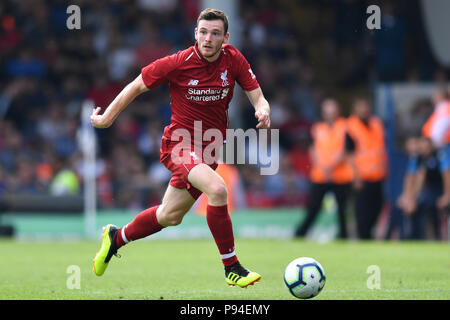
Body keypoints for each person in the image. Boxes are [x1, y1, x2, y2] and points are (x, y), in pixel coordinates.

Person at [91, 8, 271, 288]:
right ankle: (232, 267)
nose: (208, 38)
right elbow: (136, 85)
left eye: (214, 33)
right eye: (203, 32)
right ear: (195, 33)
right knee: (219, 189)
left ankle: (116, 238)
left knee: (169, 215)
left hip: (209, 150)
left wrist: (262, 110)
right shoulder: (179, 62)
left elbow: (257, 96)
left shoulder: (233, 58)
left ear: (226, 37)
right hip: (180, 145)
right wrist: (107, 118)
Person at [295, 98, 353, 239]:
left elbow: (347, 150)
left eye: (332, 110)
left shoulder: (345, 126)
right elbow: (312, 149)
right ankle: (300, 235)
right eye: (327, 111)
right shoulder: (317, 128)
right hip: (320, 175)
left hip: (340, 176)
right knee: (313, 207)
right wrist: (323, 166)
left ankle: (343, 237)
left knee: (342, 210)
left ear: (338, 111)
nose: (330, 113)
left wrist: (330, 166)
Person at [346, 97, 387, 239]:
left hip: (378, 175)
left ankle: (369, 234)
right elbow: (349, 154)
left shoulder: (377, 123)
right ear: (354, 109)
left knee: (377, 208)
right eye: (361, 107)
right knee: (362, 212)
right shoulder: (351, 126)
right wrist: (355, 176)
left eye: (366, 106)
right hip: (362, 177)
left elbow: (380, 148)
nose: (364, 109)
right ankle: (363, 237)